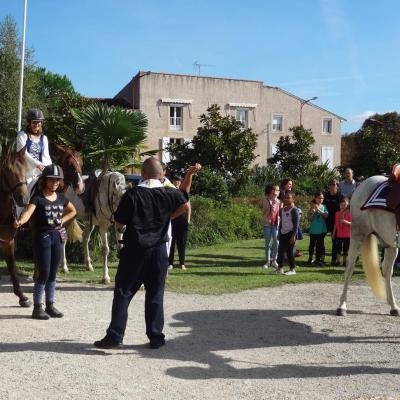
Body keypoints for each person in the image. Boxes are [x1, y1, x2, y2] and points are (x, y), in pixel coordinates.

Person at [94, 157, 190, 350]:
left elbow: (120, 222)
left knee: (123, 293)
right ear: (161, 174)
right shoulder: (170, 193)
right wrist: (168, 218)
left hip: (134, 250)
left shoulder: (133, 194)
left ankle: (115, 336)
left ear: (143, 174)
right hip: (159, 252)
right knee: (155, 294)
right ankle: (155, 336)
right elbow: (185, 203)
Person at [14, 164, 77, 319]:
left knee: (53, 274)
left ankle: (50, 305)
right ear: (45, 180)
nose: (54, 182)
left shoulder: (62, 198)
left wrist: (62, 220)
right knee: (43, 273)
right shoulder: (38, 198)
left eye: (57, 180)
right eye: (51, 179)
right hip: (42, 238)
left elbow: (73, 211)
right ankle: (37, 308)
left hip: (56, 237)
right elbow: (28, 212)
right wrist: (20, 221)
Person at [16, 109, 52, 184]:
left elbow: (46, 156)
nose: (36, 124)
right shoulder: (22, 135)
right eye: (34, 122)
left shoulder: (44, 138)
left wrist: (49, 168)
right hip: (25, 171)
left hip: (39, 171)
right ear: (29, 122)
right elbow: (23, 154)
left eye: (38, 122)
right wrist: (37, 164)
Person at [168, 175, 191, 270]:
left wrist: (188, 220)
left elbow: (188, 206)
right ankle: (170, 263)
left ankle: (182, 263)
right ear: (172, 182)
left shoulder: (184, 192)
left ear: (180, 182)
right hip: (172, 221)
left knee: (182, 243)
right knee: (171, 243)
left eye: (178, 181)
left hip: (182, 221)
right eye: (175, 181)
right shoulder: (169, 191)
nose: (177, 182)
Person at [276, 192, 300, 276]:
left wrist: (294, 236)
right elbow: (281, 222)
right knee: (280, 251)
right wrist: (279, 233)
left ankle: (292, 269)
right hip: (282, 233)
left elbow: (296, 225)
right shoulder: (282, 210)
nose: (286, 199)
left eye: (288, 197)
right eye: (285, 197)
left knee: (289, 251)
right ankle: (280, 268)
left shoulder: (294, 210)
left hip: (290, 233)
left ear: (293, 199)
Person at [323, 179, 343, 265]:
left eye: (334, 184)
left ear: (337, 186)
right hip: (325, 221)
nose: (332, 186)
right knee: (320, 239)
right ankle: (320, 258)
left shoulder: (340, 196)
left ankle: (334, 260)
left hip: (336, 222)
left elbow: (344, 209)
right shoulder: (325, 195)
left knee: (335, 241)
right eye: (330, 184)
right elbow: (320, 204)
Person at [262, 184, 281, 269]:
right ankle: (268, 261)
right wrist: (271, 204)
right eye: (276, 190)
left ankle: (274, 260)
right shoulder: (265, 200)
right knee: (267, 243)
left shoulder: (279, 201)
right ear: (272, 191)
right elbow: (265, 211)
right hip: (267, 223)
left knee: (277, 242)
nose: (278, 192)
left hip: (275, 224)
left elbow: (280, 213)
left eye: (278, 190)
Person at [307, 192, 329, 266]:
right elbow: (309, 219)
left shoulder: (324, 206)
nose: (321, 199)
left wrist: (319, 210)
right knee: (312, 245)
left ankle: (318, 259)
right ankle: (310, 258)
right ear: (315, 198)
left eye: (322, 198)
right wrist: (312, 212)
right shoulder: (311, 207)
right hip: (313, 230)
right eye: (319, 198)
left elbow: (326, 216)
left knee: (320, 245)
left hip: (322, 230)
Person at [332, 197, 351, 266]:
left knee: (346, 249)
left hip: (347, 235)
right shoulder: (337, 213)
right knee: (338, 249)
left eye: (344, 205)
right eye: (341, 205)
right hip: (339, 235)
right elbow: (335, 224)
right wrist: (334, 233)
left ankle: (344, 262)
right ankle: (338, 261)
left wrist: (346, 222)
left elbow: (353, 224)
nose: (342, 206)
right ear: (339, 205)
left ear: (347, 205)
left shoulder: (349, 214)